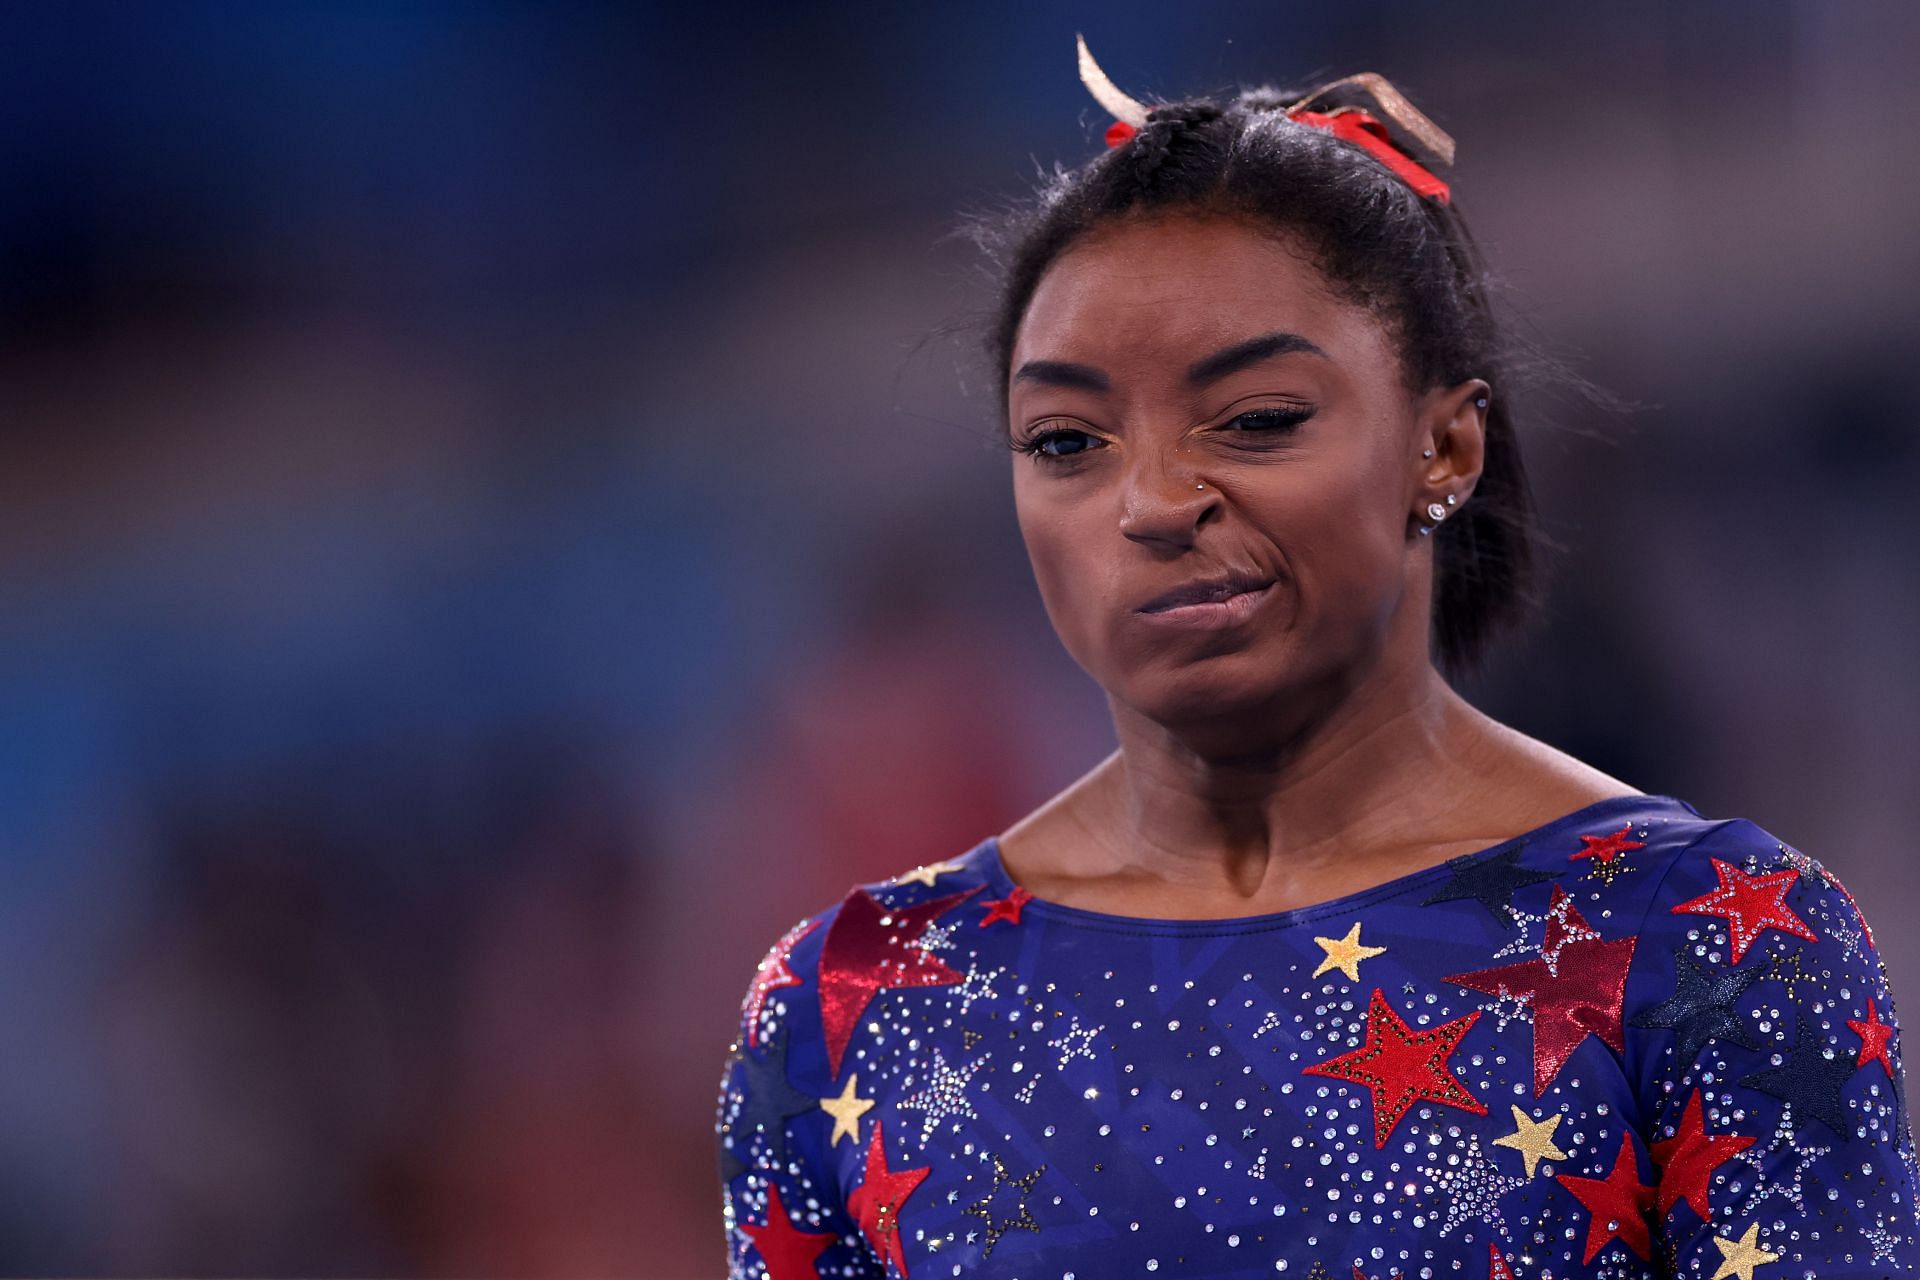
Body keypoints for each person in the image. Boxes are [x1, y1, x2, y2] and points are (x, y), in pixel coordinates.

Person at [714, 38, 1920, 1278]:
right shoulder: (852, 1006)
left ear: (1444, 448)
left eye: (1258, 420)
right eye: (1068, 440)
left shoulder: (1708, 944)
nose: (1154, 501)